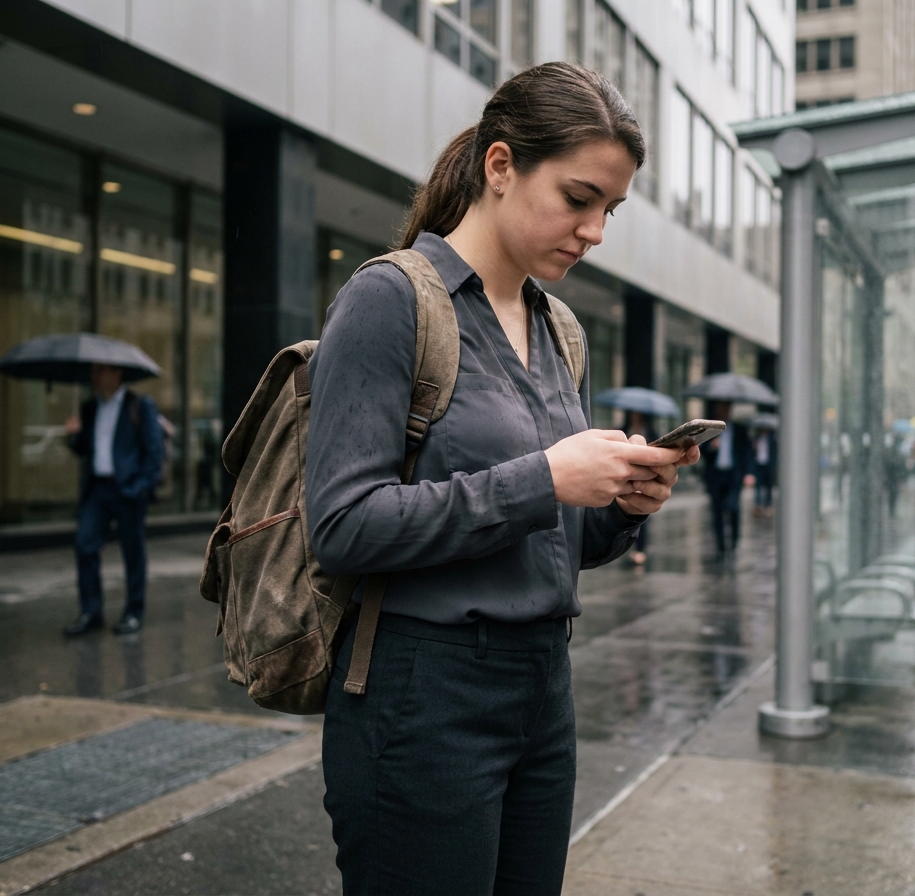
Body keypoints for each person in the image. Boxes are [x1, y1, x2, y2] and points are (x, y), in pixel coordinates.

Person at [304, 62, 698, 895]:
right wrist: (545, 478)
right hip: (422, 691)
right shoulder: (391, 298)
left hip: (543, 689)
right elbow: (340, 528)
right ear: (500, 165)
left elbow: (560, 542)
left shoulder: (562, 329)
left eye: (612, 210)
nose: (595, 230)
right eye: (580, 197)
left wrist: (623, 505)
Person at [63, 362, 164, 637]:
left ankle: (133, 612)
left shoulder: (139, 405)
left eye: (100, 370)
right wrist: (72, 435)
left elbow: (155, 451)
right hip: (97, 489)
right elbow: (84, 448)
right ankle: (91, 612)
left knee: (132, 552)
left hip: (127, 489)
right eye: (93, 371)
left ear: (117, 373)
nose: (95, 376)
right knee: (85, 546)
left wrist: (140, 487)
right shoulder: (89, 407)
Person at [703, 400, 755, 558]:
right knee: (717, 510)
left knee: (733, 507)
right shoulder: (710, 428)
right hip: (716, 475)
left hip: (734, 475)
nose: (723, 411)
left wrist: (749, 473)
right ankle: (720, 545)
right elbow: (700, 451)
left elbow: (747, 453)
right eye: (720, 407)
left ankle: (733, 542)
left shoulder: (740, 429)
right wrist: (711, 447)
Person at [623, 410, 659, 564]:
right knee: (625, 511)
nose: (635, 415)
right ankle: (626, 545)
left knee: (642, 511)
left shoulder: (651, 432)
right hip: (626, 477)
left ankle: (640, 548)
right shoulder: (622, 431)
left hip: (644, 476)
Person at [751, 424, 776, 515]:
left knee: (768, 486)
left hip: (768, 465)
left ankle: (768, 505)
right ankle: (758, 505)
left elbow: (774, 451)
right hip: (759, 464)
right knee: (758, 486)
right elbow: (752, 452)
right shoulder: (756, 438)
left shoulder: (772, 438)